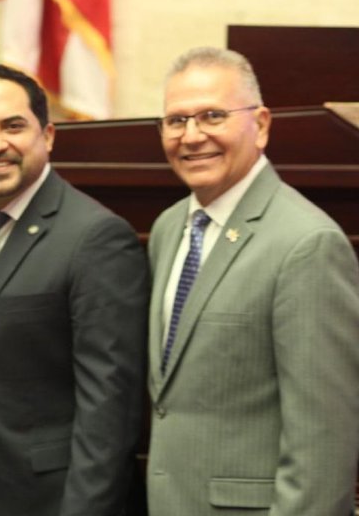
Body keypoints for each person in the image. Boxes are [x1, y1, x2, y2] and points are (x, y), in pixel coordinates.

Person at [0, 63, 148, 516]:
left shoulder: (96, 237)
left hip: (58, 498)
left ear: (48, 135)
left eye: (13, 126)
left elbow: (110, 408)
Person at [146, 47, 359, 515]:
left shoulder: (307, 244)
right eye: (175, 121)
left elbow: (324, 445)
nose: (192, 136)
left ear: (260, 124)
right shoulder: (168, 228)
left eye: (212, 116)